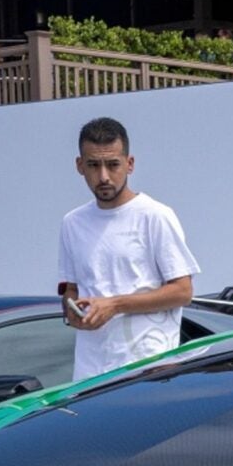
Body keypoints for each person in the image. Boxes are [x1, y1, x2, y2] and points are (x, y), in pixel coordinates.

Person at [55, 116, 198, 380]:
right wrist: (72, 310)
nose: (103, 176)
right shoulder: (72, 222)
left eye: (113, 165)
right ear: (79, 166)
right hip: (89, 374)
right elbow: (72, 289)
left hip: (148, 370)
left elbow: (183, 291)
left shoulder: (155, 216)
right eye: (93, 165)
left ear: (129, 164)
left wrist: (115, 305)